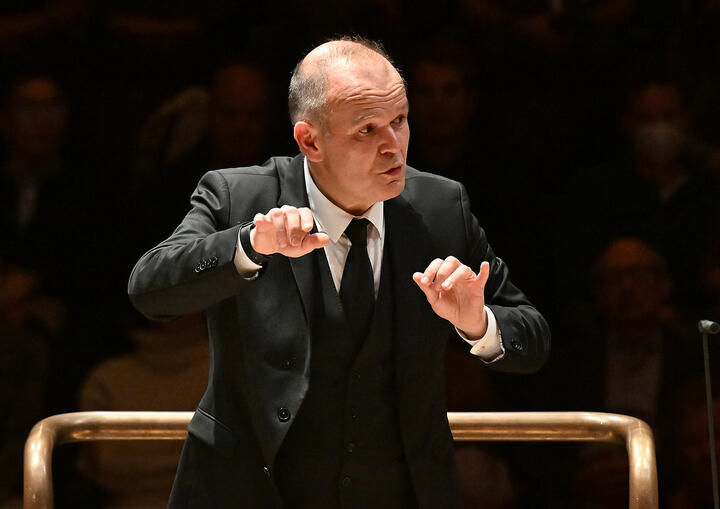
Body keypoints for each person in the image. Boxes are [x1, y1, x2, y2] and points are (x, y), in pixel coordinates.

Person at [129, 37, 550, 509]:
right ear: (311, 140)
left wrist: (478, 324)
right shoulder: (239, 196)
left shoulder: (441, 207)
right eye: (367, 130)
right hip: (250, 492)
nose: (394, 147)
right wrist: (249, 245)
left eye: (400, 120)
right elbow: (150, 291)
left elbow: (532, 341)